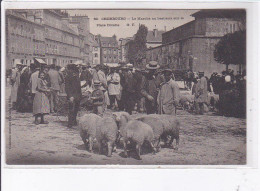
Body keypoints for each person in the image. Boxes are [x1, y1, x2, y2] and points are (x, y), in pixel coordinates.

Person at [65, 64, 82, 128]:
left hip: (76, 95)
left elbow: (77, 87)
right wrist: (70, 96)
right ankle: (70, 123)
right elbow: (67, 87)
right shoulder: (69, 76)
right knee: (72, 109)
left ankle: (73, 121)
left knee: (75, 109)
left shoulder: (75, 75)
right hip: (73, 95)